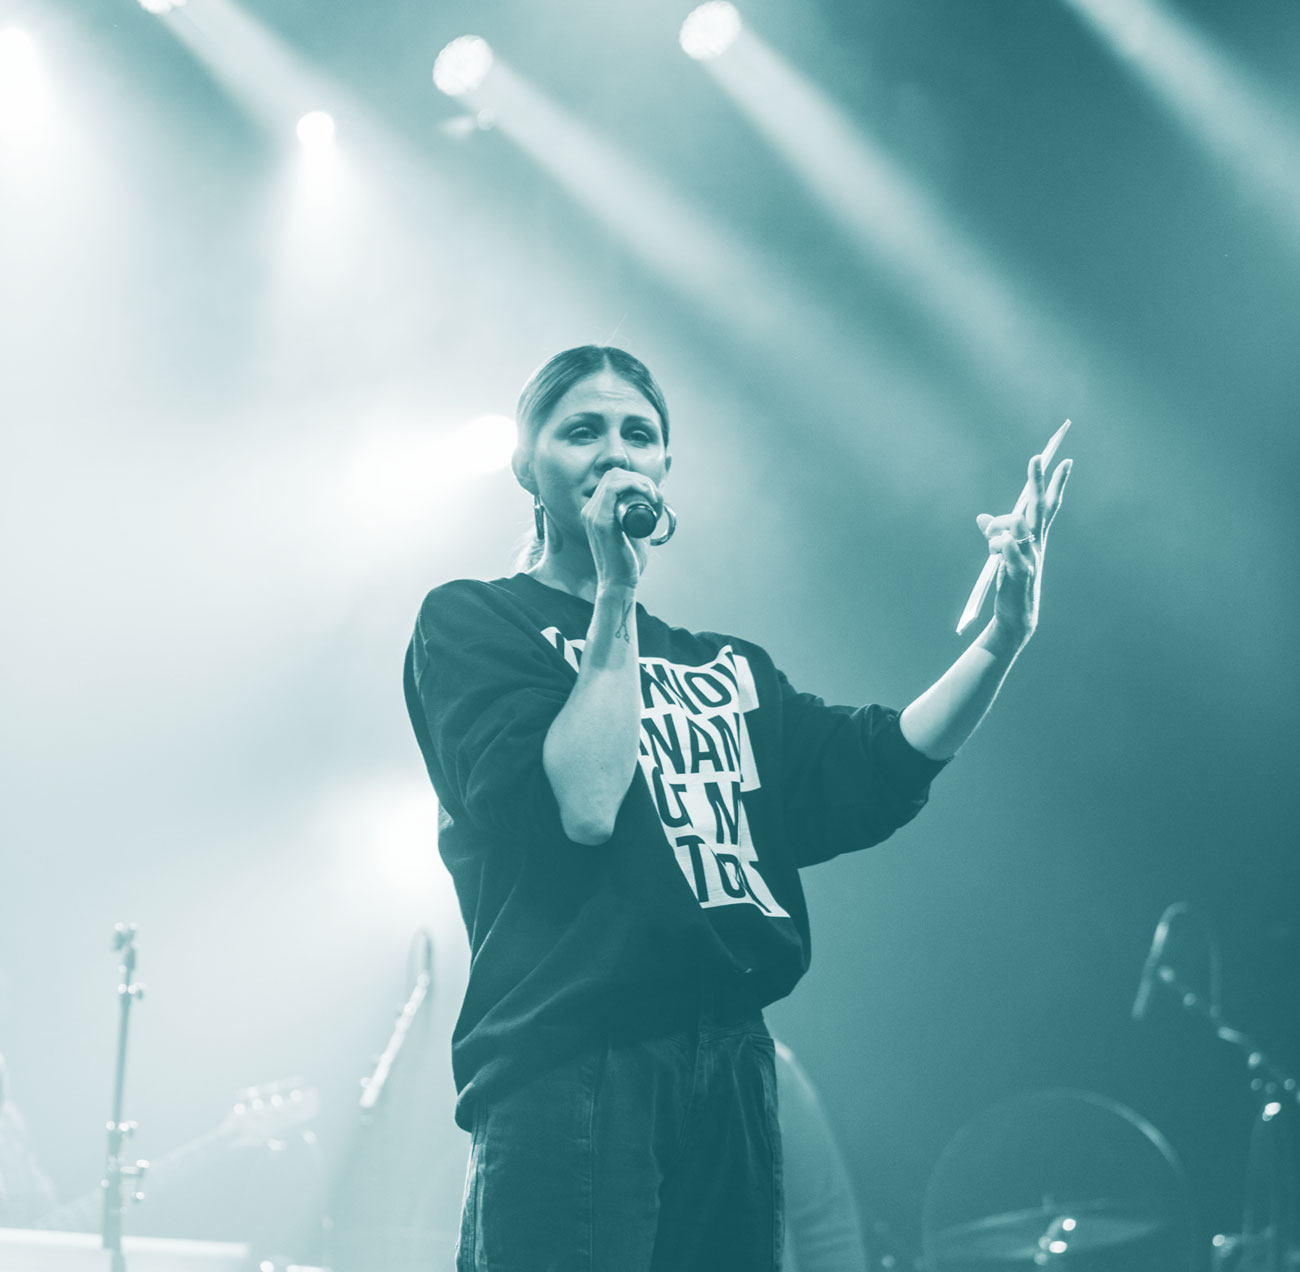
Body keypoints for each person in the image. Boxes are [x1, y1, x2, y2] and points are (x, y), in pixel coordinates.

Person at [403, 345, 1071, 1272]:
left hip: (729, 1058)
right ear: (527, 465)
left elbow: (875, 762)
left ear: (665, 467)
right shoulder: (474, 623)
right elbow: (586, 804)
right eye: (582, 431)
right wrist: (616, 592)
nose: (615, 452)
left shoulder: (725, 666)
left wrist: (1002, 639)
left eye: (639, 434)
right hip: (572, 1054)